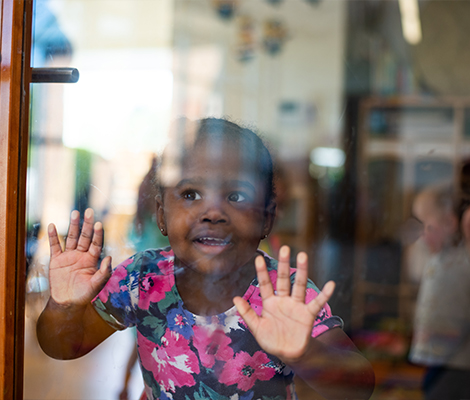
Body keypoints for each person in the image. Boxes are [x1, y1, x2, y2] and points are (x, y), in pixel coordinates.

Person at [37, 118, 375, 399]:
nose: (213, 211)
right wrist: (64, 306)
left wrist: (305, 352)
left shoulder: (283, 294)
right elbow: (64, 346)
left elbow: (359, 388)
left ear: (267, 218)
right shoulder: (142, 279)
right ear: (161, 215)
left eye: (236, 195)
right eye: (190, 194)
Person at [409, 183, 470, 400]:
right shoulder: (439, 259)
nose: (420, 234)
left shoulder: (465, 260)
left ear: (450, 223)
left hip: (463, 369)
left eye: (425, 225)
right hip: (442, 364)